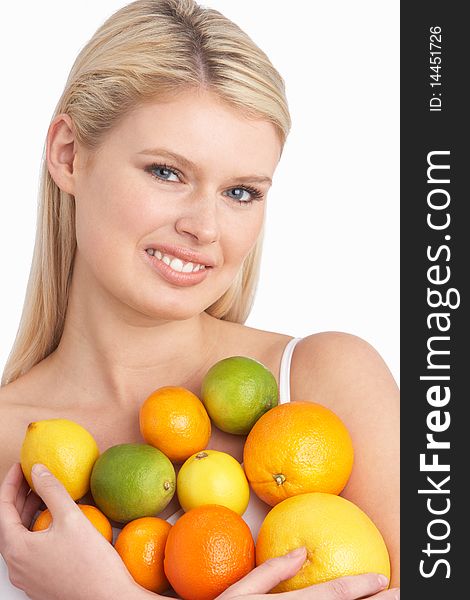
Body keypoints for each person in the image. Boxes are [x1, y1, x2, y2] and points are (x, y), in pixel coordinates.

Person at [0, 1, 400, 598]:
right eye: (167, 172)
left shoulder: (325, 380)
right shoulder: (9, 443)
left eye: (241, 191)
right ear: (69, 155)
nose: (205, 228)